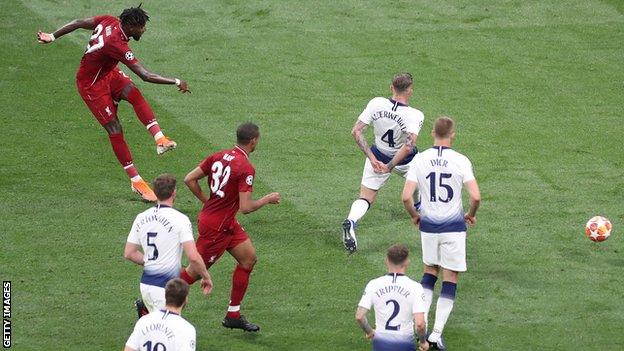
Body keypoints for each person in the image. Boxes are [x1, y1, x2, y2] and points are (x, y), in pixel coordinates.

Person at [37, 5, 190, 202]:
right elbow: (145, 75)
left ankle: (160, 139)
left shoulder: (109, 20)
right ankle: (136, 181)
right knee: (115, 128)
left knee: (133, 93)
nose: (144, 30)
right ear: (133, 26)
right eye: (142, 27)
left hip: (108, 73)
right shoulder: (116, 44)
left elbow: (78, 23)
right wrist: (176, 81)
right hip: (91, 86)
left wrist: (52, 35)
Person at [179, 122, 280, 332]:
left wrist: (207, 202)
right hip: (217, 228)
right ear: (254, 141)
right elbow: (246, 207)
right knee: (194, 273)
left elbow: (189, 179)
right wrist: (267, 200)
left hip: (224, 222)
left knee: (248, 258)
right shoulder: (245, 167)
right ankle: (152, 297)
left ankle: (233, 314)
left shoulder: (218, 155)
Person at [401, 116, 481, 350]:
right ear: (452, 135)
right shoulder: (460, 160)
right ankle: (435, 335)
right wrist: (471, 213)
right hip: (454, 228)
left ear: (433, 134)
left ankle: (421, 327)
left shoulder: (419, 159)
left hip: (428, 227)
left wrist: (415, 216)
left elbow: (406, 197)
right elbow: (475, 196)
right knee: (450, 277)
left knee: (429, 272)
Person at [342, 73, 425, 252]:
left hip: (377, 155)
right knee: (422, 172)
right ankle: (419, 205)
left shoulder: (376, 103)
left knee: (365, 198)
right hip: (404, 160)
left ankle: (351, 221)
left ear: (391, 88)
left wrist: (372, 159)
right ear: (409, 91)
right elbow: (409, 146)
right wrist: (389, 166)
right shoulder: (415, 115)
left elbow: (356, 132)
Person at [124, 174, 212, 316]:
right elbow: (193, 257)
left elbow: (129, 253)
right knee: (168, 331)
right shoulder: (180, 219)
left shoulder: (141, 217)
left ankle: (144, 313)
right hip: (164, 289)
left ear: (155, 192)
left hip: (146, 285)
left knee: (160, 326)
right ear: (174, 192)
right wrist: (206, 276)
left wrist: (152, 262)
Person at [356, 244, 429, 351]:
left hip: (380, 345)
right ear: (407, 262)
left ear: (386, 260)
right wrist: (423, 342)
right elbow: (420, 324)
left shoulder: (374, 284)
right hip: (404, 345)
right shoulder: (415, 287)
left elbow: (359, 316)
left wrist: (370, 332)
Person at [124, 278, 197, 351]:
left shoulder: (144, 321)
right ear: (185, 300)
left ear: (165, 296)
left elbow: (128, 349)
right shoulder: (186, 329)